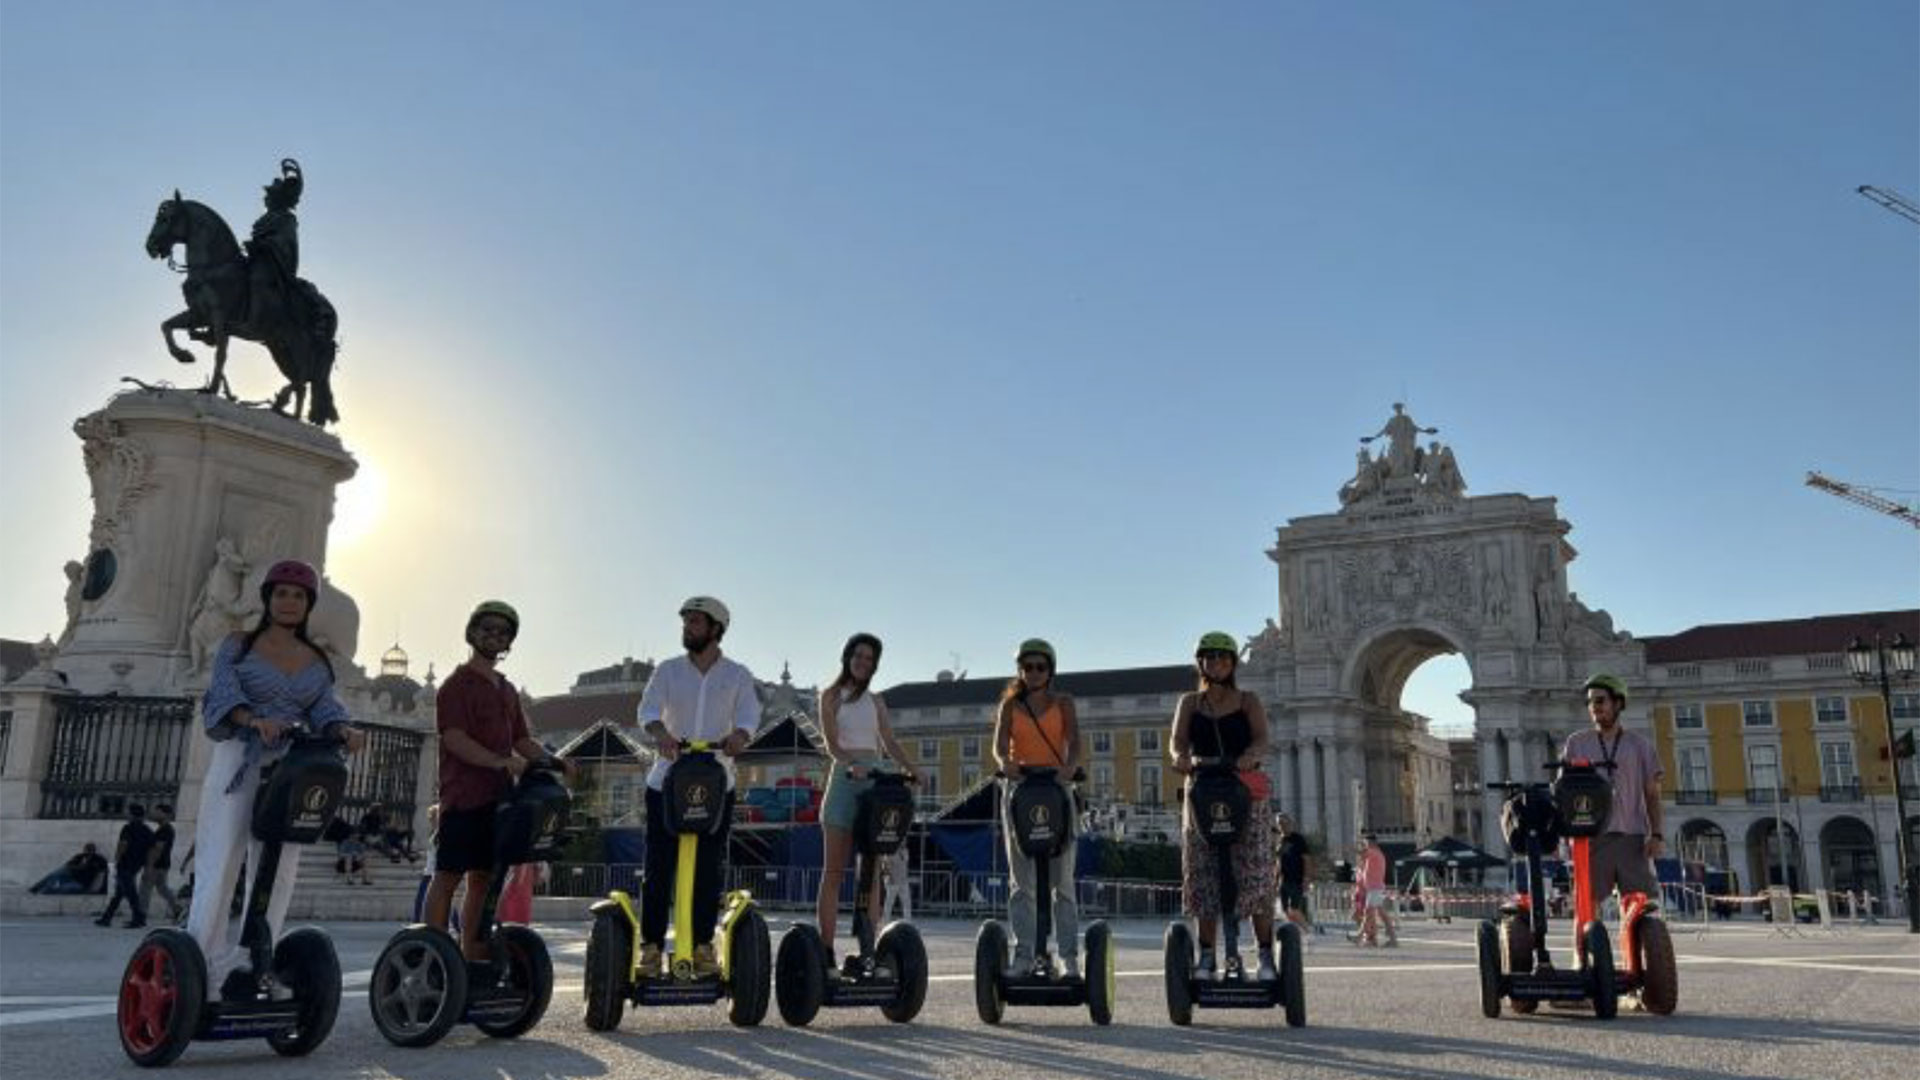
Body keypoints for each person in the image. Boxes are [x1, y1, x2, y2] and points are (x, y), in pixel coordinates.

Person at [188, 559, 364, 999]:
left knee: (280, 868)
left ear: (309, 605)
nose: (289, 602)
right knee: (223, 857)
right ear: (267, 598)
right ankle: (203, 966)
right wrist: (253, 719)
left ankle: (253, 964)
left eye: (299, 595)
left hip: (291, 766)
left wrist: (342, 727)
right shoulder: (239, 645)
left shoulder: (317, 659)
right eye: (282, 593)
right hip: (240, 760)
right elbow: (223, 691)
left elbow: (324, 704)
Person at [426, 600, 571, 964]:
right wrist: (499, 761)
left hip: (501, 799)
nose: (494, 636)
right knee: (447, 876)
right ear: (472, 632)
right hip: (463, 795)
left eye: (502, 633)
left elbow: (522, 740)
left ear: (509, 642)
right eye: (487, 628)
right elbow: (454, 738)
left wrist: (554, 761)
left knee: (483, 878)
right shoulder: (456, 685)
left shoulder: (506, 690)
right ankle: (433, 950)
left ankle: (471, 951)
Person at [634, 597, 761, 978]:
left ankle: (704, 947)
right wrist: (661, 735)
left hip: (716, 785)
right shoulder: (668, 671)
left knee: (709, 868)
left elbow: (750, 716)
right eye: (686, 622)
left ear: (716, 629)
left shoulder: (737, 675)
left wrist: (740, 735)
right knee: (658, 868)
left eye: (695, 622)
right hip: (666, 784)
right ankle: (652, 948)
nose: (687, 628)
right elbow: (648, 712)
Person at [1171, 632, 1280, 979]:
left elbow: (1262, 739)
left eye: (1222, 657)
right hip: (1203, 791)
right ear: (1200, 662)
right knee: (1202, 874)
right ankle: (1206, 955)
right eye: (1209, 657)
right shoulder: (1190, 702)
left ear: (1232, 662)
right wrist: (1181, 759)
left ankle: (1265, 955)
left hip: (1245, 792)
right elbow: (1176, 743)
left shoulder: (1248, 701)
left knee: (1255, 871)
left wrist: (1250, 756)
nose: (1215, 662)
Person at [814, 633, 921, 974]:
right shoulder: (831, 696)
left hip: (874, 781)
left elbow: (888, 741)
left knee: (871, 873)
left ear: (875, 665)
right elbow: (831, 744)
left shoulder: (876, 701)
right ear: (848, 657)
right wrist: (851, 763)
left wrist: (912, 768)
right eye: (858, 655)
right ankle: (827, 950)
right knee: (833, 872)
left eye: (870, 658)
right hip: (846, 780)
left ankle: (869, 951)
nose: (863, 662)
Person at [991, 638, 1083, 979]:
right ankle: (1025, 955)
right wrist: (1006, 763)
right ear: (1020, 670)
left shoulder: (1064, 702)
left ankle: (1068, 957)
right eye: (1026, 667)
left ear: (1050, 670)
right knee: (1021, 881)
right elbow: (1000, 745)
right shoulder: (1010, 705)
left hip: (1057, 790)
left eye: (1039, 667)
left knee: (1063, 881)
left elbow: (1074, 742)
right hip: (1020, 790)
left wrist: (1070, 767)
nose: (1033, 673)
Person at [1563, 673, 1664, 910]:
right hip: (1591, 839)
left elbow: (1652, 794)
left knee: (1640, 909)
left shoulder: (1640, 745)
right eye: (1589, 702)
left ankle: (1641, 947)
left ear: (1618, 703)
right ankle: (1586, 947)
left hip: (1633, 838)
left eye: (1600, 700)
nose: (1594, 707)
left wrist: (1657, 835)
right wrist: (1563, 839)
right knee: (1587, 908)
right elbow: (1565, 794)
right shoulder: (1576, 743)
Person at [96, 804, 154, 928]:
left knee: (130, 892)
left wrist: (117, 858)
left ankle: (138, 918)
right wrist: (147, 865)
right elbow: (151, 849)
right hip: (137, 864)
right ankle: (107, 917)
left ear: (132, 814)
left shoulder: (128, 828)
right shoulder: (147, 830)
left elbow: (123, 844)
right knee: (120, 892)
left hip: (126, 863)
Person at [1349, 833, 1399, 947]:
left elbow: (1361, 853)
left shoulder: (1373, 852)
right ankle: (1391, 939)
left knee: (1369, 912)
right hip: (1374, 888)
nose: (1365, 845)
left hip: (1374, 888)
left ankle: (1360, 936)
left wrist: (1355, 847)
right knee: (1381, 915)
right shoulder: (1374, 854)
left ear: (1371, 843)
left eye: (1366, 843)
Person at [1275, 812, 1316, 941]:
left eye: (1285, 823)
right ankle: (1295, 932)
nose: (1282, 826)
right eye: (1280, 823)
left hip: (1296, 878)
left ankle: (1309, 931)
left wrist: (1306, 878)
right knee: (1284, 910)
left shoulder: (1298, 839)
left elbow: (1306, 859)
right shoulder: (1280, 840)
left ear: (1290, 823)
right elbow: (1277, 862)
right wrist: (1275, 880)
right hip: (1283, 879)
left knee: (1294, 909)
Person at [139, 803, 183, 921]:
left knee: (145, 889)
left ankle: (141, 915)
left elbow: (158, 848)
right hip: (162, 864)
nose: (154, 814)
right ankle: (177, 908)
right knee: (162, 888)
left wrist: (150, 866)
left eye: (157, 812)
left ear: (166, 814)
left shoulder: (165, 830)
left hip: (157, 865)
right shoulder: (164, 829)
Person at [31, 842, 108, 895]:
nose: (88, 852)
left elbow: (105, 869)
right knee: (57, 873)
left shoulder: (98, 859)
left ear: (94, 851)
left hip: (80, 884)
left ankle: (45, 890)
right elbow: (68, 865)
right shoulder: (79, 856)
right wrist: (79, 866)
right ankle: (36, 888)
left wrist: (85, 865)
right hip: (71, 877)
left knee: (58, 890)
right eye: (87, 850)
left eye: (91, 850)